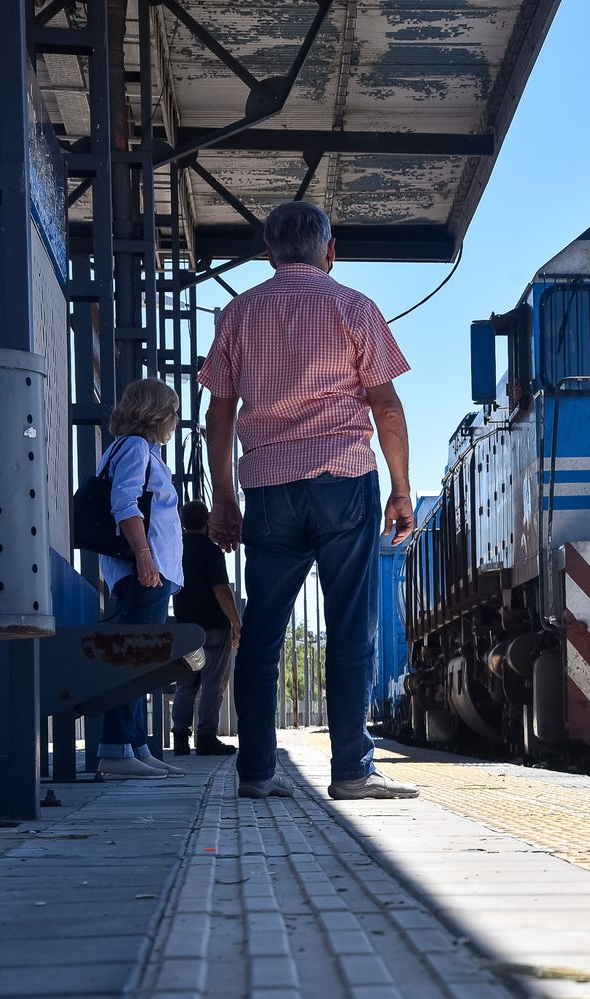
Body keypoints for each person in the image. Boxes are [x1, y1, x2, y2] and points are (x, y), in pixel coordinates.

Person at [199, 201, 419, 801]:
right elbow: (387, 407)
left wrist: (223, 499)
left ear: (269, 252)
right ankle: (351, 771)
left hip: (268, 486)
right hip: (344, 480)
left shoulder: (238, 313)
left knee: (262, 632)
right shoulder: (355, 307)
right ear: (330, 250)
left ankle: (256, 772)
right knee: (350, 627)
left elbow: (219, 415)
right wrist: (401, 489)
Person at [95, 378, 186, 780]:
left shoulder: (134, 448)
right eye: (173, 412)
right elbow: (124, 502)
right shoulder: (134, 447)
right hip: (143, 572)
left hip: (145, 571)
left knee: (141, 660)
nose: (175, 421)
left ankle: (136, 746)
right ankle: (116, 750)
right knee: (133, 659)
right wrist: (144, 556)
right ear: (157, 413)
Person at [171, 500, 242, 756]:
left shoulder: (175, 550)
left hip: (185, 628)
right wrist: (235, 621)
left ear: (182, 522)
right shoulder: (211, 552)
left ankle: (180, 738)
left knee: (186, 683)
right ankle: (206, 737)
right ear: (208, 521)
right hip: (213, 627)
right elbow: (221, 589)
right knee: (213, 683)